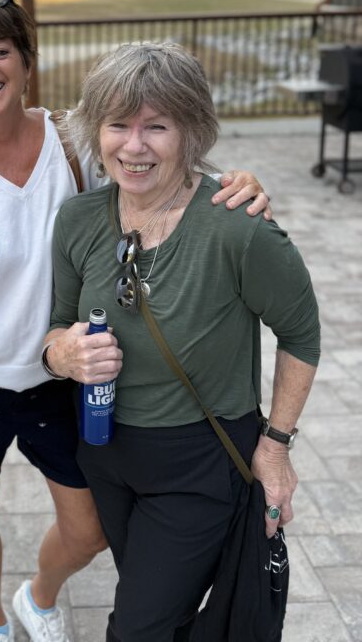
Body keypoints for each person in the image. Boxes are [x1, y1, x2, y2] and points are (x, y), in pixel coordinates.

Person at [0, 0, 271, 642]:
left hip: (63, 369)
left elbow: (156, 182)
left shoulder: (72, 138)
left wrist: (230, 186)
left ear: (25, 59)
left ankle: (37, 597)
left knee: (92, 526)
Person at [45, 41, 320, 642]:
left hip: (200, 462)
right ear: (96, 129)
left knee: (137, 628)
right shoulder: (79, 220)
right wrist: (60, 354)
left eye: (157, 126)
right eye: (118, 124)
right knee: (158, 611)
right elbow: (57, 323)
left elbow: (301, 331)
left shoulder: (237, 226)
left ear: (192, 131)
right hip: (105, 449)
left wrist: (275, 446)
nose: (134, 146)